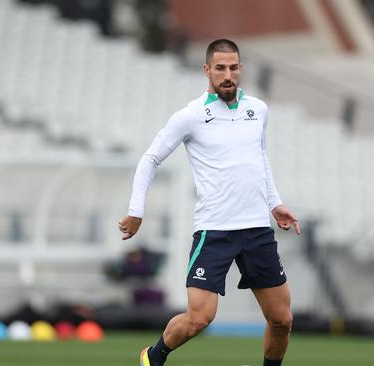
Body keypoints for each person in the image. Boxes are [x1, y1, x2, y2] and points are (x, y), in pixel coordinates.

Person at [118, 38, 300, 366]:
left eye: (233, 67)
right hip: (214, 232)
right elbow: (150, 159)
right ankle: (153, 357)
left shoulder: (257, 110)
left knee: (282, 319)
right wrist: (136, 210)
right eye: (220, 68)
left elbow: (259, 157)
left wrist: (275, 203)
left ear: (240, 68)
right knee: (200, 318)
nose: (228, 74)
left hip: (257, 229)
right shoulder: (190, 116)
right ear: (207, 71)